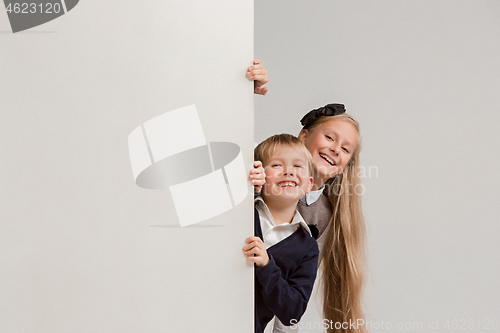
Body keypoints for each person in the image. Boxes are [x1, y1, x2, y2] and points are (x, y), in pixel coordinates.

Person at [247, 63, 366, 333]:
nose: (335, 149)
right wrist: (244, 92)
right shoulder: (269, 167)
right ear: (304, 136)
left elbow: (293, 288)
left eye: (345, 149)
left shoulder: (321, 217)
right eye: (329, 137)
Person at [243, 134, 320, 333]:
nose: (288, 171)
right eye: (276, 165)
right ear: (259, 173)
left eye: (297, 166)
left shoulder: (307, 247)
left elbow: (293, 312)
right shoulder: (242, 214)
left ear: (309, 184)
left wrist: (267, 266)